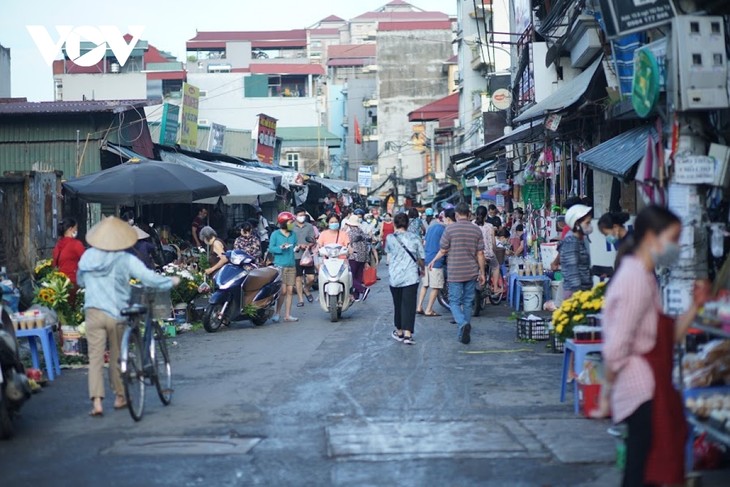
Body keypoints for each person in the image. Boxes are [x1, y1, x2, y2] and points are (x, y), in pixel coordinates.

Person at [603, 206, 707, 487]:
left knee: (646, 468)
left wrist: (695, 306)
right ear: (651, 238)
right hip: (642, 389)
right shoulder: (634, 278)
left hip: (651, 386)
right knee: (641, 471)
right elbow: (616, 347)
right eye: (673, 239)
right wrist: (606, 392)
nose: (675, 247)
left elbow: (667, 335)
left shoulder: (645, 276)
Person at [77, 217, 177, 417]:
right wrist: (170, 281)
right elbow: (148, 277)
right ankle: (120, 396)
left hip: (93, 312)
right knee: (116, 356)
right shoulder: (124, 259)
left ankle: (97, 402)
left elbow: (80, 281)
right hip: (116, 312)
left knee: (95, 359)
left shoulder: (87, 257)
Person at [429, 203, 486, 344]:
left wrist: (433, 261)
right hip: (471, 271)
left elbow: (443, 250)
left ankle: (462, 323)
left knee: (454, 301)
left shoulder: (449, 230)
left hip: (455, 271)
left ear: (456, 215)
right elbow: (480, 254)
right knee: (467, 302)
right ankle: (463, 331)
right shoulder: (476, 230)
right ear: (469, 213)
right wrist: (482, 272)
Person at [385, 212, 425, 345]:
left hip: (395, 276)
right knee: (409, 304)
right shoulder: (415, 237)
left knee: (398, 304)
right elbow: (421, 257)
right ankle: (408, 334)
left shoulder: (390, 238)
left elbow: (389, 254)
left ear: (395, 224)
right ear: (407, 224)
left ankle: (399, 331)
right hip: (411, 277)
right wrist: (423, 268)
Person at [417, 208, 454, 316]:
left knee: (425, 285)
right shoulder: (444, 230)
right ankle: (429, 309)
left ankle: (419, 306)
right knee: (436, 286)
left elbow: (425, 242)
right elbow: (445, 247)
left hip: (426, 259)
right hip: (436, 261)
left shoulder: (431, 228)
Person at [558, 204, 593, 299]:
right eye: (587, 223)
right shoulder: (571, 241)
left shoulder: (579, 240)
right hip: (576, 293)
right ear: (577, 224)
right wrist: (578, 295)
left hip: (582, 291)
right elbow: (572, 270)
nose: (590, 225)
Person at [269, 212, 298, 323]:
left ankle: (287, 315)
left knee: (290, 290)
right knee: (283, 291)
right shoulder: (275, 234)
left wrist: (297, 248)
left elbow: (295, 246)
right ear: (284, 223)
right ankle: (277, 313)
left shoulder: (293, 234)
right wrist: (280, 248)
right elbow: (271, 248)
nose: (292, 224)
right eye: (290, 222)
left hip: (291, 265)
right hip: (280, 265)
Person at [474, 206, 503, 295]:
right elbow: (493, 243)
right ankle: (495, 287)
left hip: (475, 255)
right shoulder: (490, 226)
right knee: (496, 267)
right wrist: (493, 250)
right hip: (489, 254)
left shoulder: (472, 225)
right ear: (486, 215)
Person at [292, 207, 316, 307]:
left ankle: (306, 289)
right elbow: (288, 238)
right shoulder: (290, 226)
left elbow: (312, 240)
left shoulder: (309, 226)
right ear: (295, 216)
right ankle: (300, 300)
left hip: (307, 255)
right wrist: (297, 246)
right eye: (300, 215)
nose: (302, 217)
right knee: (298, 278)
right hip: (296, 255)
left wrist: (307, 246)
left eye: (303, 215)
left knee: (311, 278)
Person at [52, 217, 85, 285]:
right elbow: (86, 261)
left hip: (59, 282)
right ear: (70, 229)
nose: (76, 230)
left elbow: (54, 263)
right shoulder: (76, 244)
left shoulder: (58, 245)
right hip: (73, 282)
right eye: (76, 228)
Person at [345, 215, 371, 302]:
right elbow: (367, 246)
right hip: (362, 257)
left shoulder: (349, 233)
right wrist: (367, 260)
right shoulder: (362, 233)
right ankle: (356, 296)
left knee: (351, 277)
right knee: (358, 276)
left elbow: (347, 244)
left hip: (353, 257)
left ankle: (362, 289)